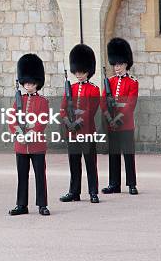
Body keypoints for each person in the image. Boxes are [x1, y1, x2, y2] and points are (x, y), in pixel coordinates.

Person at [8, 53, 50, 216]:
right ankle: (21, 205)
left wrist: (30, 133)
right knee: (22, 176)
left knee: (40, 176)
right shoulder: (18, 100)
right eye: (26, 82)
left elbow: (42, 121)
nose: (28, 85)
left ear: (37, 83)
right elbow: (12, 120)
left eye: (31, 83)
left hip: (36, 144)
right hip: (20, 145)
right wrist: (19, 134)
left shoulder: (43, 101)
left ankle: (42, 204)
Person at [59, 44, 100, 204]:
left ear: (88, 71)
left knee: (90, 163)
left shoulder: (94, 90)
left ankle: (93, 192)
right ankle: (74, 191)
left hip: (87, 131)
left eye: (82, 72)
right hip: (72, 132)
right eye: (77, 72)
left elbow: (90, 111)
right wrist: (68, 123)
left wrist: (77, 122)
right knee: (74, 164)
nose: (79, 75)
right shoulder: (71, 88)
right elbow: (62, 109)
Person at [101, 37, 139, 195]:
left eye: (119, 64)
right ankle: (114, 183)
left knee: (128, 154)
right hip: (112, 123)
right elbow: (103, 102)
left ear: (126, 64)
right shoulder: (109, 82)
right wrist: (109, 118)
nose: (117, 67)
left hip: (125, 123)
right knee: (114, 154)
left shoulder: (132, 82)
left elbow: (130, 105)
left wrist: (117, 118)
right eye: (115, 64)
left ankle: (131, 184)